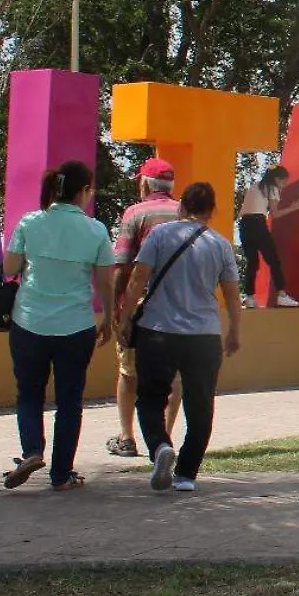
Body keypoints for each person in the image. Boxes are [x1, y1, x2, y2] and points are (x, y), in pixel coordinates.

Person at [116, 183, 243, 493]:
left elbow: (137, 279)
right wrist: (234, 331)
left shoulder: (161, 235)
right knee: (200, 405)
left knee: (150, 399)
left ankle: (160, 447)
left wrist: (125, 317)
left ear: (182, 206)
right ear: (211, 211)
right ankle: (186, 474)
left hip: (158, 332)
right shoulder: (221, 244)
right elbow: (231, 294)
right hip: (203, 336)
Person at [1, 161, 115, 491]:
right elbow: (105, 283)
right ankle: (62, 474)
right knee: (69, 400)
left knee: (29, 393)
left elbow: (10, 267)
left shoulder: (30, 222)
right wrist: (108, 317)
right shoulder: (96, 230)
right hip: (76, 326)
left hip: (29, 321)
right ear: (83, 191)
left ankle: (32, 451)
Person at [106, 157, 183, 458]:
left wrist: (115, 309)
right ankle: (163, 440)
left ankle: (127, 438)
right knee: (174, 375)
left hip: (141, 306)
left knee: (128, 371)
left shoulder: (135, 214)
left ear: (145, 183)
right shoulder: (186, 215)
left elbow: (122, 265)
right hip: (178, 308)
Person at [237, 164, 299, 308]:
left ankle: (249, 297)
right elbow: (275, 214)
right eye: (284, 181)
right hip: (257, 224)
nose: (284, 185)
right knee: (274, 260)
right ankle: (281, 294)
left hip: (243, 225)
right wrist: (293, 208)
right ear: (277, 179)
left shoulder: (255, 186)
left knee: (252, 262)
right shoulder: (272, 188)